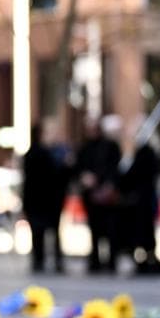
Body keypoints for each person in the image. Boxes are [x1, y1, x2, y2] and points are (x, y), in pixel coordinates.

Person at [76, 114, 124, 274]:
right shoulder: (84, 148)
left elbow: (115, 169)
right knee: (94, 229)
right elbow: (78, 168)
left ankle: (111, 261)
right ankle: (95, 260)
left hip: (107, 194)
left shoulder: (110, 146)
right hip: (90, 194)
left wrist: (107, 185)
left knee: (111, 228)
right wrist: (84, 178)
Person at [22, 120, 70, 274]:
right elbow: (53, 176)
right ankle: (45, 260)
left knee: (45, 231)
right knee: (44, 231)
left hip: (46, 200)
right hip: (43, 200)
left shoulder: (48, 153)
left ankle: (42, 260)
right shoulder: (43, 154)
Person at [120, 133, 160, 276]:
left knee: (141, 233)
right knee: (146, 233)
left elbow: (130, 176)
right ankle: (148, 258)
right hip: (146, 201)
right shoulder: (150, 156)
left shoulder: (142, 156)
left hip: (141, 203)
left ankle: (145, 260)